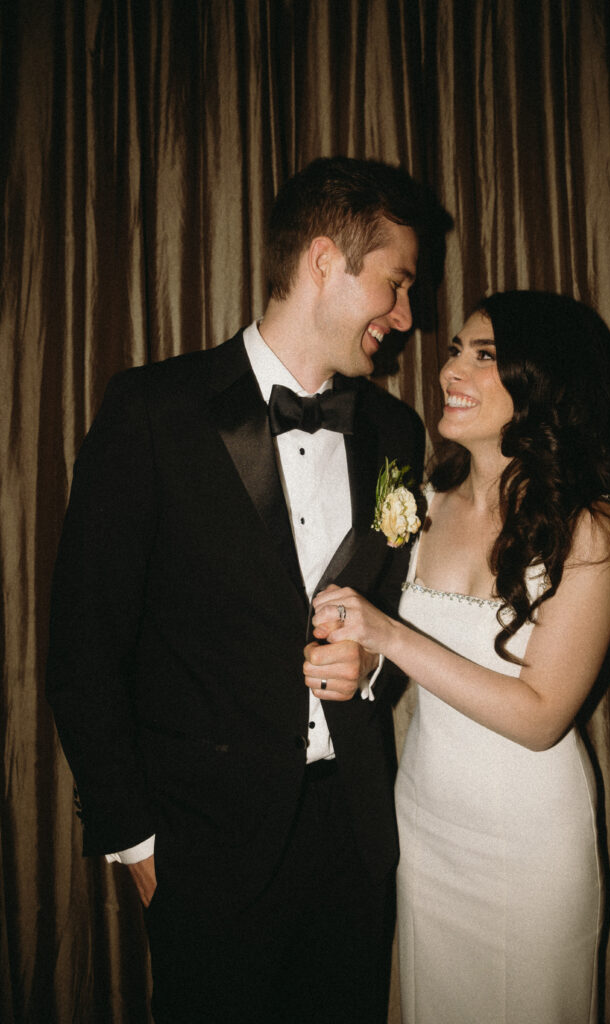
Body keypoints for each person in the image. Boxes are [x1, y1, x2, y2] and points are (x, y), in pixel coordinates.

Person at [46, 156, 430, 1023]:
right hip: (203, 850)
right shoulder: (153, 409)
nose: (408, 316)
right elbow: (82, 643)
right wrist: (134, 837)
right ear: (325, 261)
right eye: (396, 284)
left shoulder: (394, 429)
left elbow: (396, 619)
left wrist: (369, 671)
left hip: (353, 839)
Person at [312, 291, 610, 1024]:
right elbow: (393, 664)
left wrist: (389, 637)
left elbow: (540, 717)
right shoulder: (420, 503)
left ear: (543, 384)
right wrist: (361, 662)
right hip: (425, 827)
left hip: (527, 847)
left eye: (484, 356)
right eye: (454, 352)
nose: (450, 372)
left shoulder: (586, 525)